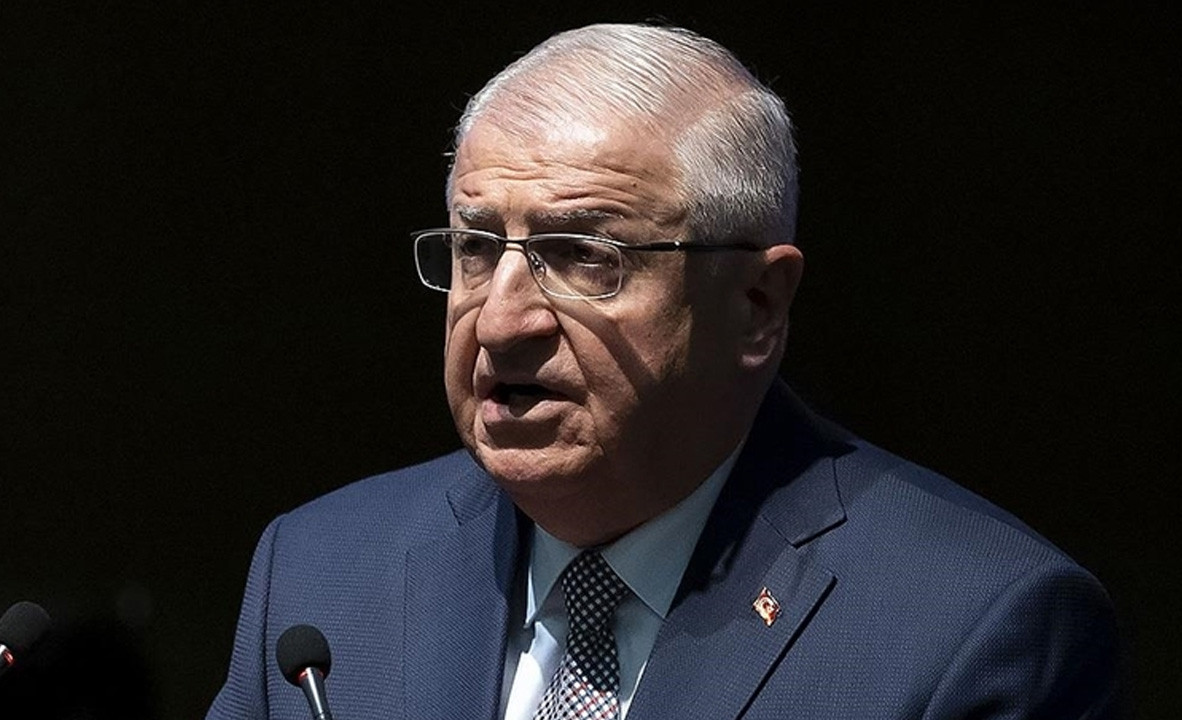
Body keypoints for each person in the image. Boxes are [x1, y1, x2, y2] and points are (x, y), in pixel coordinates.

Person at [207, 23, 1119, 720]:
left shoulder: (974, 628)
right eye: (476, 247)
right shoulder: (322, 574)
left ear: (756, 305)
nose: (502, 320)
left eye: (582, 256)